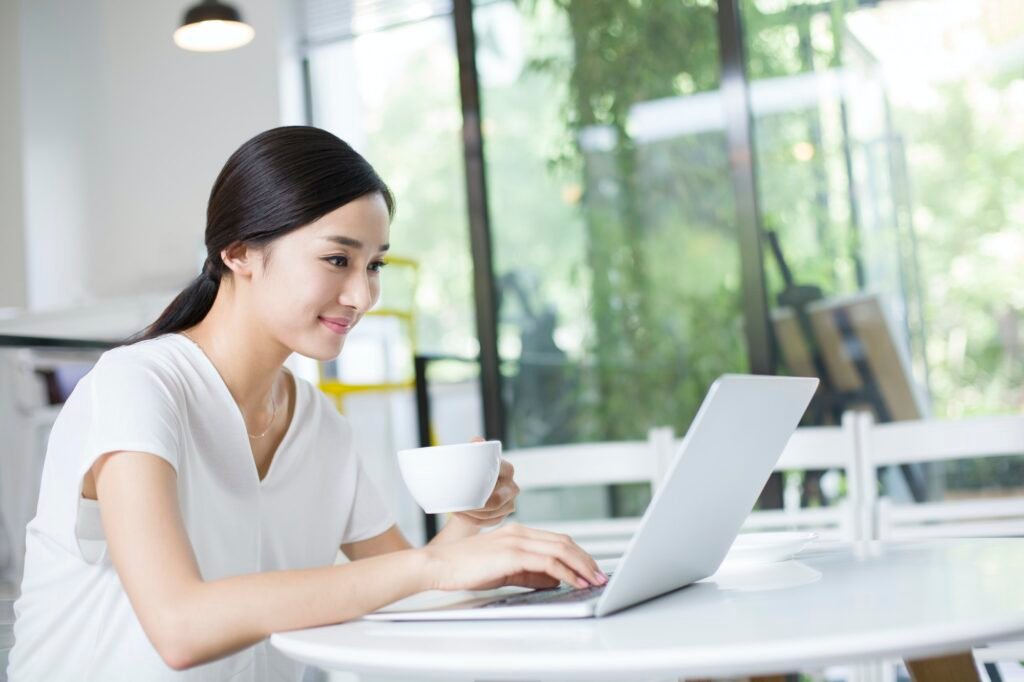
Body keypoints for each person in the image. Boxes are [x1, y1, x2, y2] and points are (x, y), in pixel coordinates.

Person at [6, 126, 606, 681]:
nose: (362, 294)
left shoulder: (317, 423)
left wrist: (468, 533)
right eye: (337, 259)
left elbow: (410, 586)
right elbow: (179, 626)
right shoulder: (137, 386)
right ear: (238, 253)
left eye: (375, 266)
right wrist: (434, 568)